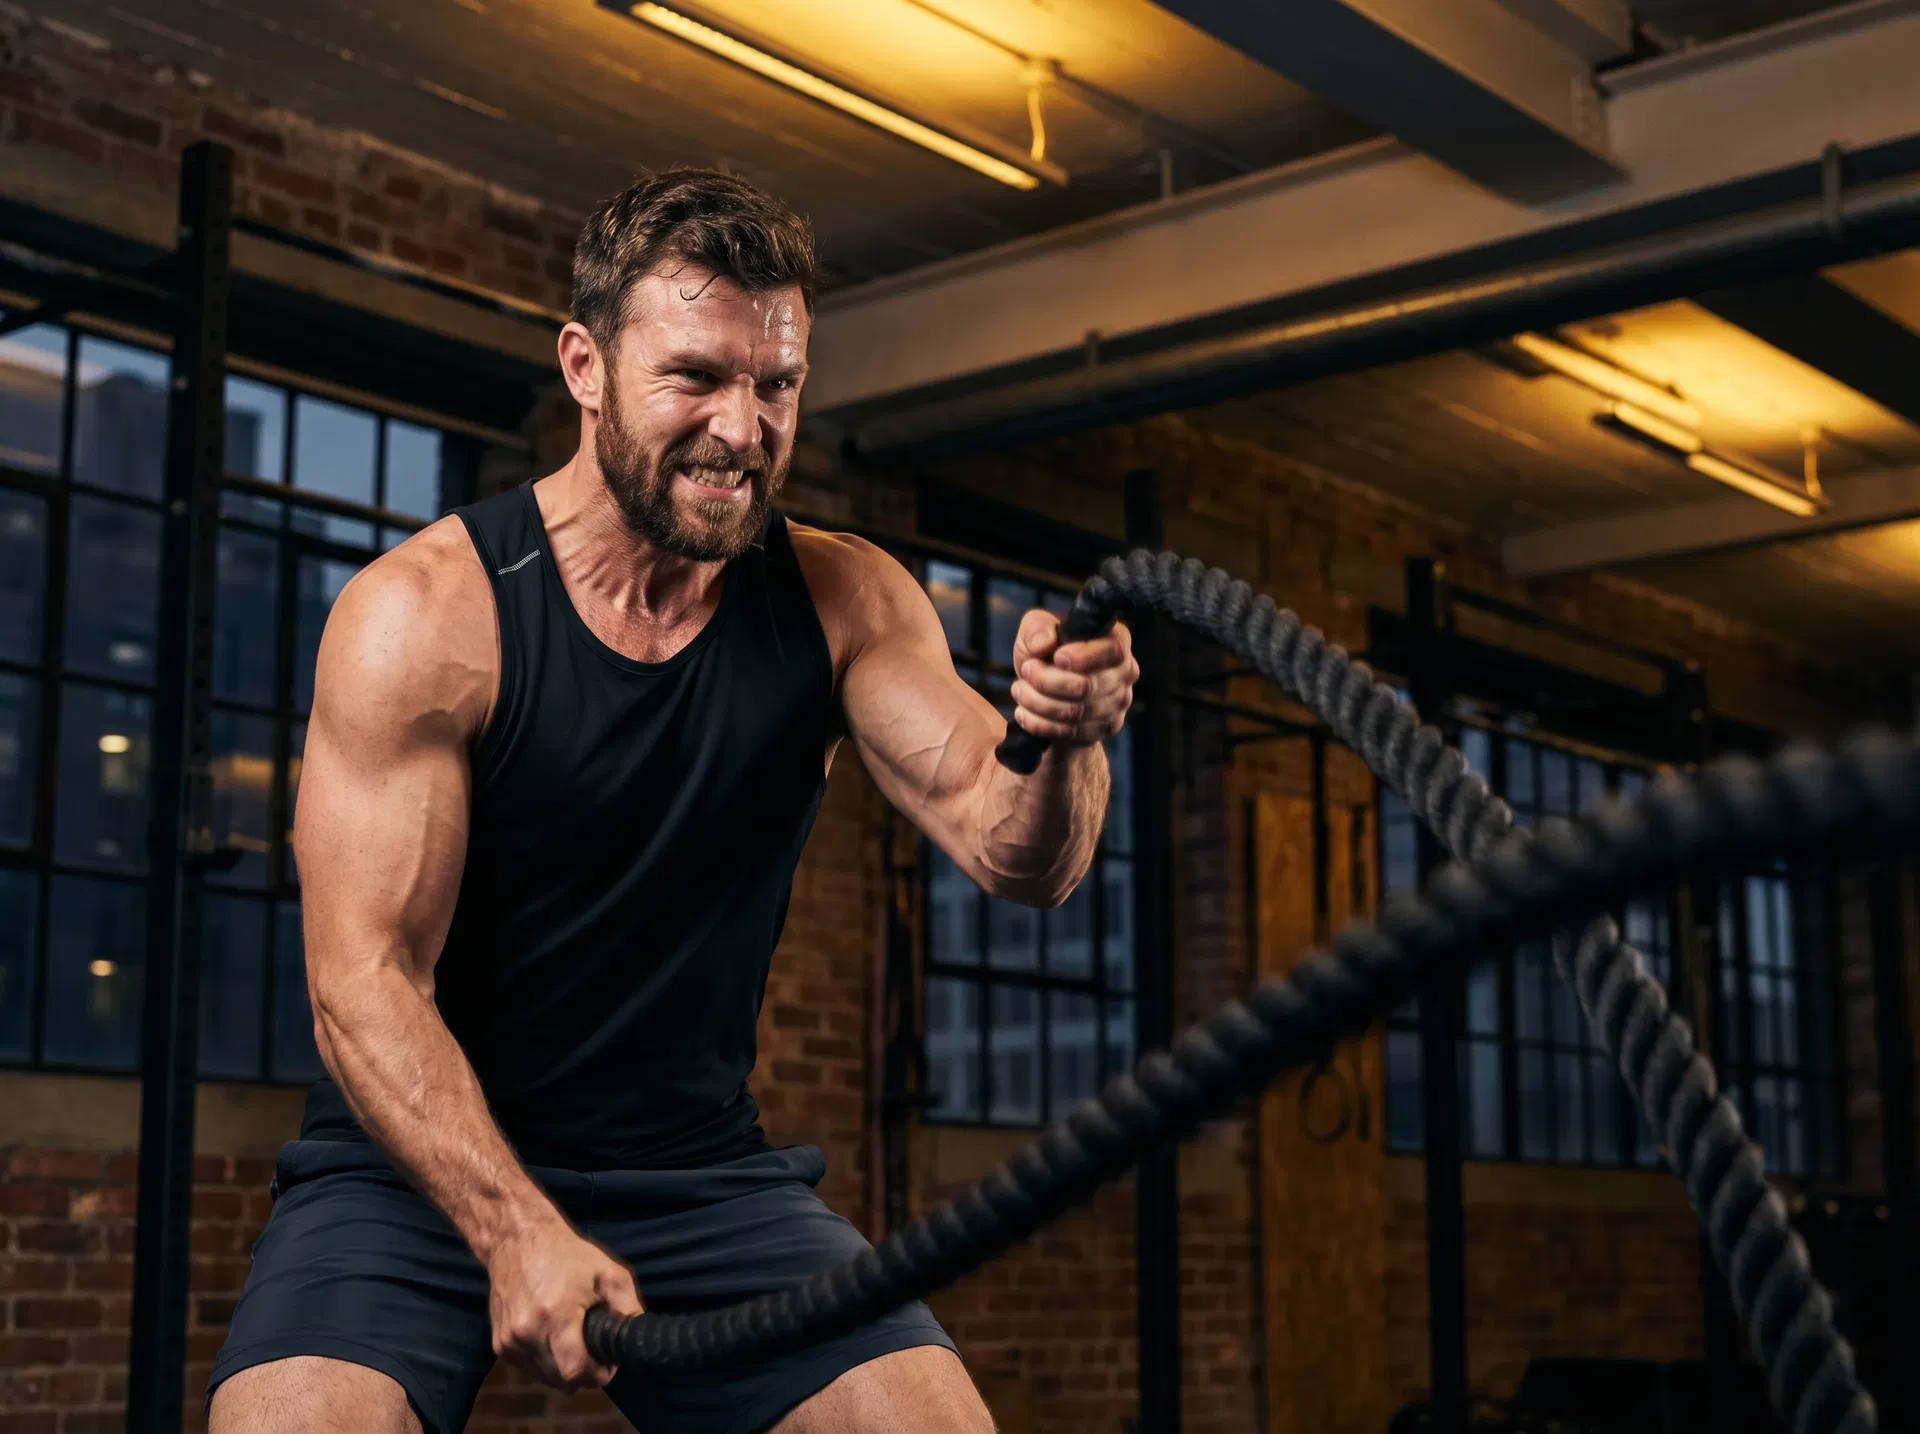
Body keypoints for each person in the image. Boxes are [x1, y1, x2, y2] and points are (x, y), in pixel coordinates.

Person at [207, 168, 1138, 1434]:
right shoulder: (427, 615)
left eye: (777, 386)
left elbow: (1019, 850)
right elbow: (360, 986)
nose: (742, 429)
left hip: (698, 1176)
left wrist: (1068, 742)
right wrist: (515, 1226)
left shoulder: (842, 600)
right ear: (585, 367)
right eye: (696, 377)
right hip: (408, 1170)